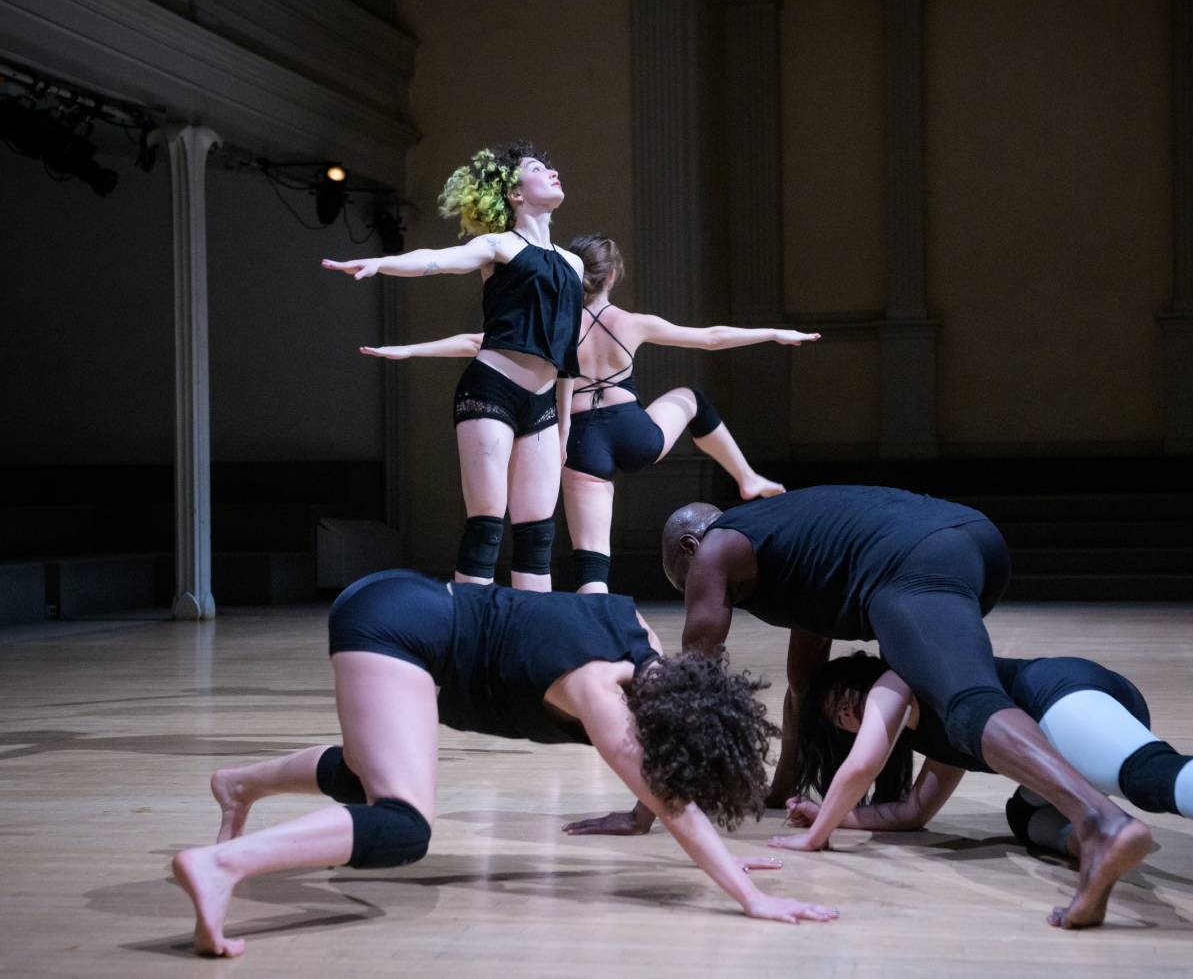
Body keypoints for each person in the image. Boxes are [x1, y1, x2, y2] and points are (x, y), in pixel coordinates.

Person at [171, 570, 837, 957]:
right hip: (398, 634)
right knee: (402, 824)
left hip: (405, 600)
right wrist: (749, 897)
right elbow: (670, 801)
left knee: (367, 773)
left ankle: (239, 786)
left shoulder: (641, 637)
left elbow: (668, 789)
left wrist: (722, 855)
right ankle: (222, 865)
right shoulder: (599, 693)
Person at [658, 486, 1155, 929]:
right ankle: (1092, 815)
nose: (698, 591)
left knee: (967, 707)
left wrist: (654, 803)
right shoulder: (790, 551)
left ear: (690, 547)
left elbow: (691, 690)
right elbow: (803, 686)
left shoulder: (715, 548)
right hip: (971, 539)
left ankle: (1100, 821)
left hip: (913, 559)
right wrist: (780, 790)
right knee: (949, 694)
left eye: (685, 585)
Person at [772, 650, 1193, 926]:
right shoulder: (936, 735)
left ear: (866, 683)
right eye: (836, 719)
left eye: (846, 701)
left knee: (1146, 774)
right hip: (1073, 715)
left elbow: (863, 764)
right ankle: (1100, 845)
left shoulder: (898, 680)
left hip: (1060, 696)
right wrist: (836, 816)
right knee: (1024, 815)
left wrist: (818, 834)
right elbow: (914, 812)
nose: (848, 716)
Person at [324, 142, 582, 591]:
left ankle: (531, 631)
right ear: (514, 194)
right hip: (492, 391)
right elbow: (436, 260)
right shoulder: (499, 245)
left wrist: (564, 427)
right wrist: (381, 262)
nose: (552, 171)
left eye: (550, 166)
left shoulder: (573, 264)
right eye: (537, 168)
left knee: (538, 534)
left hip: (542, 406)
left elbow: (567, 356)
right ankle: (470, 629)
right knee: (487, 523)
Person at [560, 235, 820, 593]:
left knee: (592, 561)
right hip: (635, 434)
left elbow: (491, 342)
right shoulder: (632, 322)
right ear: (612, 276)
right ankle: (747, 477)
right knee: (692, 399)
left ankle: (597, 618)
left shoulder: (556, 325)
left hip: (581, 440)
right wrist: (774, 332)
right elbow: (712, 338)